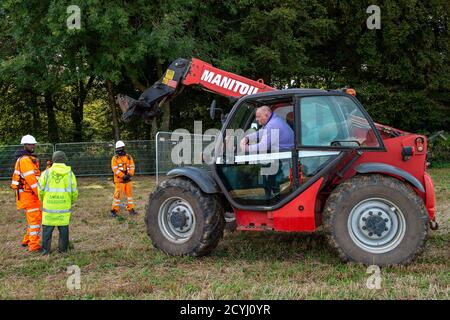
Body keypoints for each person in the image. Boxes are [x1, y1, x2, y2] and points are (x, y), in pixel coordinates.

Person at [38, 151, 78, 254]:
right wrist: (70, 201)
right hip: (64, 207)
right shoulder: (70, 173)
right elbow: (74, 192)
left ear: (53, 160)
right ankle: (63, 250)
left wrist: (44, 200)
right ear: (64, 160)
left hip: (49, 207)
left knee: (47, 229)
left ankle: (45, 250)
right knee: (64, 229)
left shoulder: (46, 173)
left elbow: (40, 190)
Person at [10, 135, 42, 252]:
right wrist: (40, 194)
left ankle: (27, 240)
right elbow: (32, 181)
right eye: (30, 144)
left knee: (32, 219)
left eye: (33, 144)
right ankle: (34, 246)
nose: (32, 146)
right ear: (25, 145)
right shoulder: (25, 160)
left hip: (27, 195)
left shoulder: (26, 158)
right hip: (30, 195)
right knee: (35, 220)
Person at [111, 141, 137, 217]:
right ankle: (114, 210)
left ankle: (131, 209)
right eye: (117, 149)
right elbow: (115, 169)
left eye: (120, 148)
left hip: (128, 180)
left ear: (123, 148)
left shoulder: (129, 157)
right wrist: (123, 176)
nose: (118, 150)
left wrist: (129, 175)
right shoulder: (114, 158)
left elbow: (132, 166)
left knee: (129, 196)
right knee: (117, 196)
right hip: (119, 181)